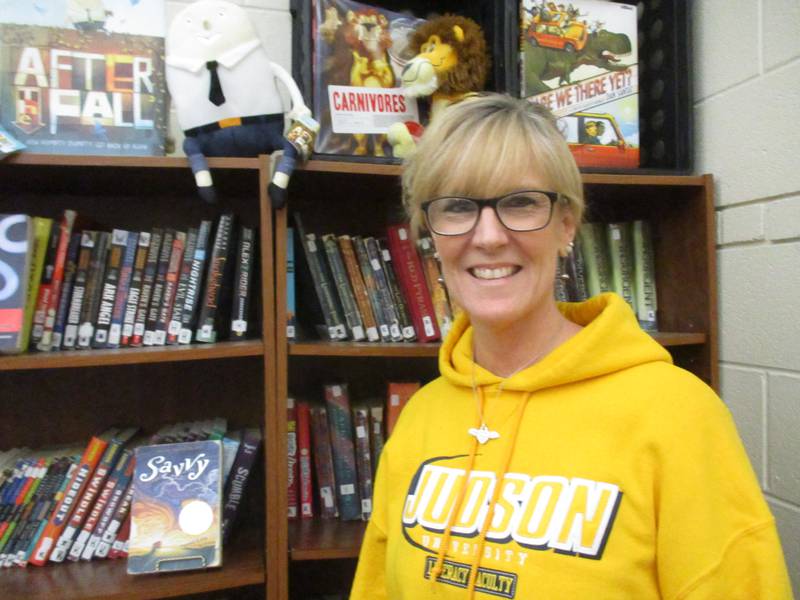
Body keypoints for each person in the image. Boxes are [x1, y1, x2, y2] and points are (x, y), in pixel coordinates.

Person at [350, 94, 792, 599]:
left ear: (566, 224)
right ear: (430, 231)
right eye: (457, 206)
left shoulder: (679, 415)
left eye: (520, 202)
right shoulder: (419, 418)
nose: (489, 236)